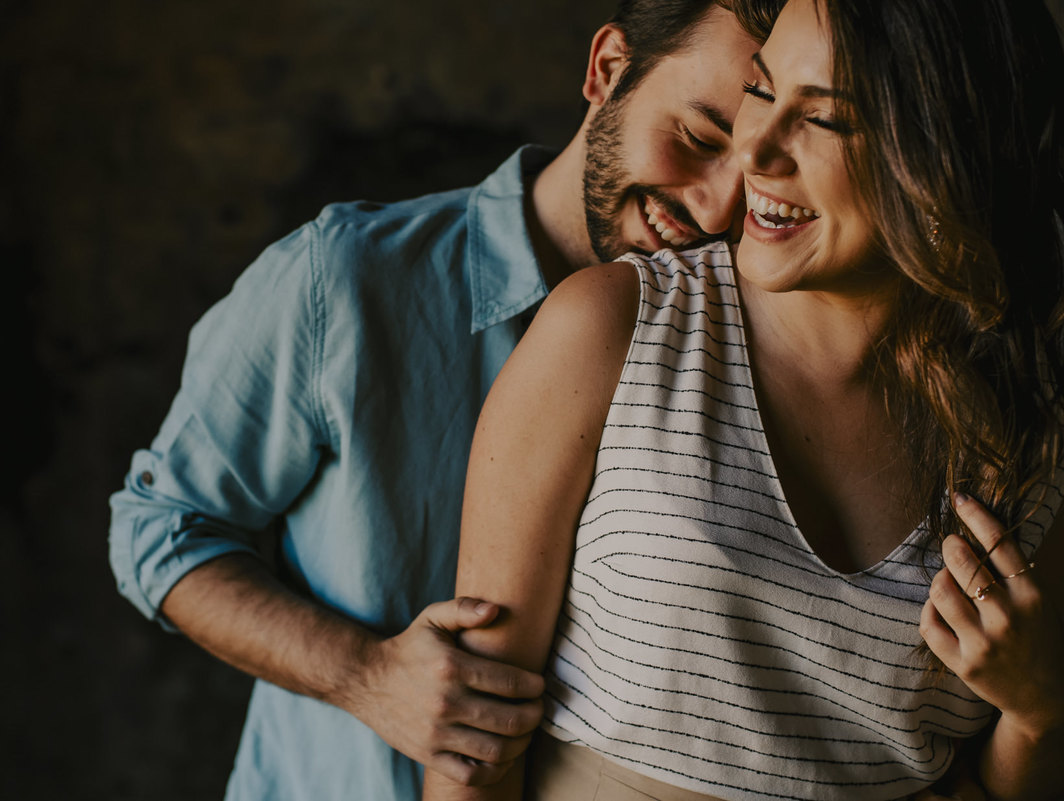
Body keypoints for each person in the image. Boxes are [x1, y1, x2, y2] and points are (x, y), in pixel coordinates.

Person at [428, 0, 1064, 799]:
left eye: (822, 118)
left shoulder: (1044, 434)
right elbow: (475, 742)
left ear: (947, 155)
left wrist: (1045, 711)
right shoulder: (612, 328)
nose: (755, 147)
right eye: (761, 89)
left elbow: (1015, 785)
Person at [107, 2, 777, 799]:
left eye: (758, 174)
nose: (714, 211)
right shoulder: (345, 281)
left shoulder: (751, 356)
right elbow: (158, 529)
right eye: (699, 139)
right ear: (607, 70)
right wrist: (365, 674)